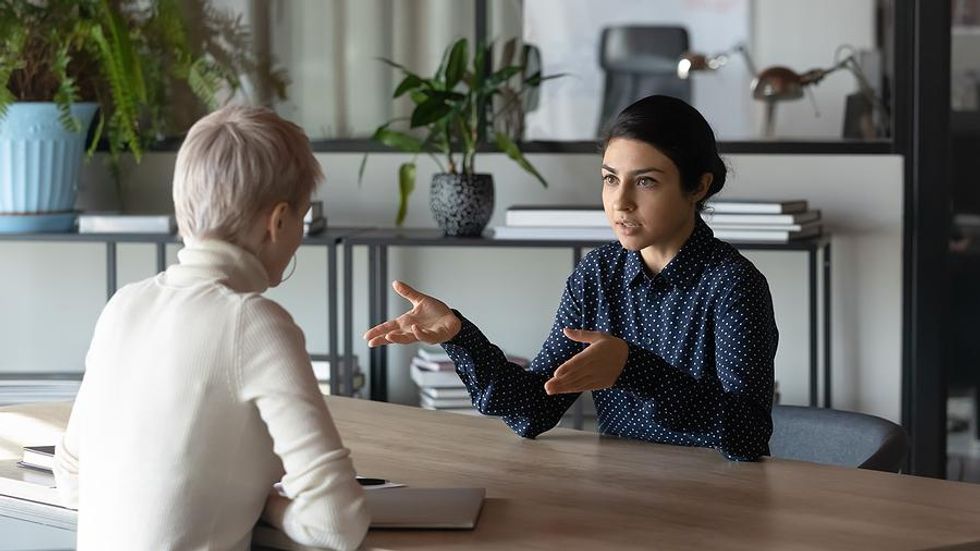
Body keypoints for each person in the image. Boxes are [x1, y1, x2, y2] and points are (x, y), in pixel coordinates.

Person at [363, 94, 778, 461]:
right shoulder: (597, 273)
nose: (621, 203)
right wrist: (459, 336)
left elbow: (748, 434)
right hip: (618, 492)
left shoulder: (733, 285)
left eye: (646, 182)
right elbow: (533, 411)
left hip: (718, 500)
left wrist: (634, 369)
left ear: (698, 187)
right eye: (610, 179)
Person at [54, 106, 369, 550]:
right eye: (301, 216)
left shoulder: (123, 305)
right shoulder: (256, 323)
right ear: (277, 222)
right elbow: (337, 524)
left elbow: (71, 480)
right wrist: (264, 503)